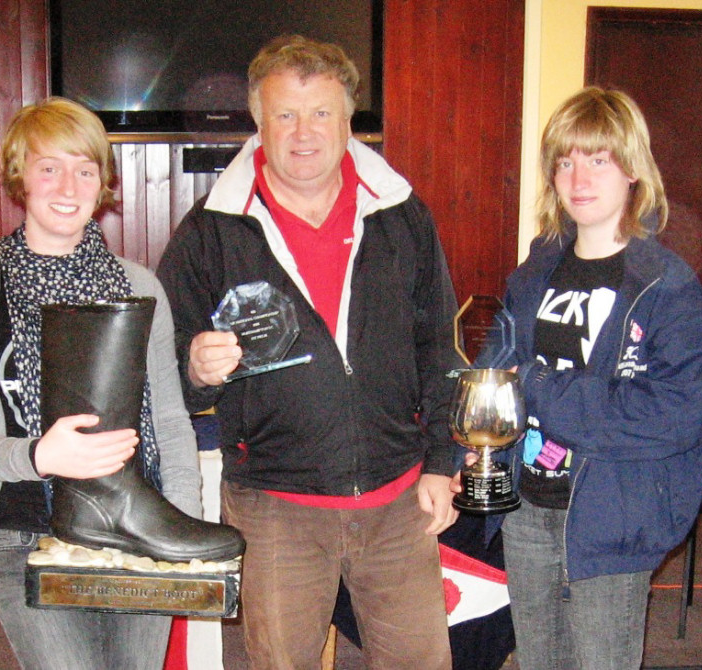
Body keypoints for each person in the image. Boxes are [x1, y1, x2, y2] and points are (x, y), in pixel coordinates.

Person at [157, 35, 462, 669]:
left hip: (397, 500)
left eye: (321, 112)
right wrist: (195, 366)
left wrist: (441, 460)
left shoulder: (403, 216)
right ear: (258, 121)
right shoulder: (209, 231)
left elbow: (438, 347)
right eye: (285, 115)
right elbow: (165, 371)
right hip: (276, 509)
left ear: (349, 120)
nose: (304, 132)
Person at [0, 97, 242, 670]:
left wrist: (179, 528)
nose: (67, 185)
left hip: (137, 519)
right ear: (19, 176)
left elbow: (172, 423)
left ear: (102, 182)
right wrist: (42, 454)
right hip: (25, 527)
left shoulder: (140, 285)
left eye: (84, 169)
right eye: (48, 166)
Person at [453, 86, 702, 669]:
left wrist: (544, 386)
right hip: (526, 504)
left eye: (599, 158)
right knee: (540, 660)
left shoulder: (668, 290)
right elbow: (496, 370)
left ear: (632, 170)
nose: (579, 176)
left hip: (612, 513)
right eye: (566, 160)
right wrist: (472, 448)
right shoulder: (534, 272)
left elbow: (674, 415)